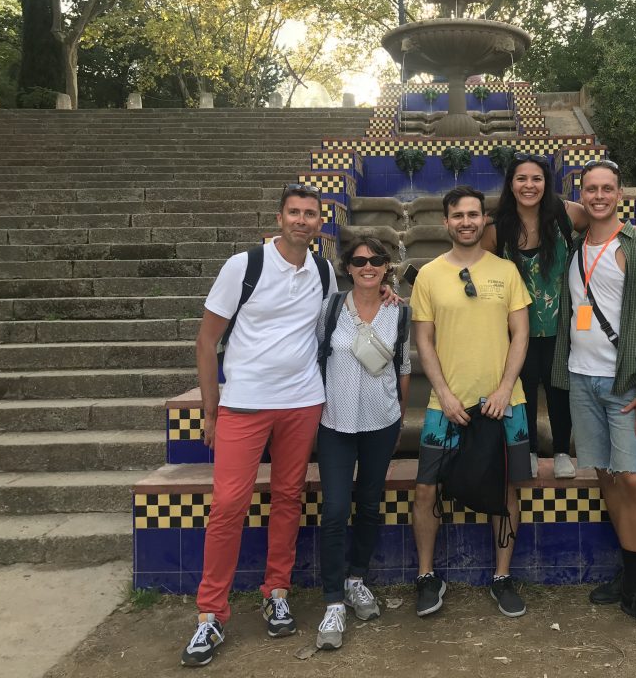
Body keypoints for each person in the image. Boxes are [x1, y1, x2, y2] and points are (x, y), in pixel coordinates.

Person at [180, 183, 337, 667]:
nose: (302, 221)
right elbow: (207, 342)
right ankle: (211, 614)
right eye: (294, 212)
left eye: (311, 214)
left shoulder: (324, 270)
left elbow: (335, 321)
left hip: (302, 400)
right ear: (280, 217)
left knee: (289, 496)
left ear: (319, 222)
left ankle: (277, 590)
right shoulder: (243, 266)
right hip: (245, 403)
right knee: (228, 504)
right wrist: (210, 410)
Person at [551, 159, 636, 636]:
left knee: (634, 480)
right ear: (581, 195)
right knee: (605, 474)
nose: (599, 195)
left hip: (625, 386)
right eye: (591, 189)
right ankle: (631, 573)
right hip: (582, 380)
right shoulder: (573, 245)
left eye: (607, 188)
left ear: (620, 193)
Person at [482, 153, 636, 479]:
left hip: (562, 326)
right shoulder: (496, 228)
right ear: (511, 183)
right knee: (523, 389)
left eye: (536, 178)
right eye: (521, 178)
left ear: (546, 182)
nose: (529, 185)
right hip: (516, 329)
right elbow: (470, 263)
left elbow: (606, 223)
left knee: (558, 389)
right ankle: (531, 450)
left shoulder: (565, 214)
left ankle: (562, 449)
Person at [411, 185, 532, 618]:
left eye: (474, 215)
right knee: (426, 489)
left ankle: (501, 577)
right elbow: (423, 340)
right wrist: (442, 393)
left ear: (485, 220)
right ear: (446, 221)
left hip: (505, 403)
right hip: (446, 405)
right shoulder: (428, 275)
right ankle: (426, 576)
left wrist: (502, 389)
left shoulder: (507, 272)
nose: (467, 222)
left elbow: (521, 334)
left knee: (506, 490)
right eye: (458, 215)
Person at [313, 237, 411, 650]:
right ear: (347, 268)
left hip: (380, 423)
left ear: (387, 267)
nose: (367, 266)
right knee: (335, 509)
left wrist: (399, 414)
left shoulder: (399, 312)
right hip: (334, 422)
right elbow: (315, 355)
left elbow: (403, 366)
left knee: (369, 505)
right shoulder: (330, 308)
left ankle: (357, 580)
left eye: (375, 261)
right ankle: (333, 600)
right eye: (359, 261)